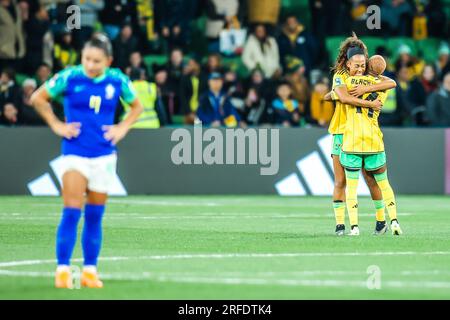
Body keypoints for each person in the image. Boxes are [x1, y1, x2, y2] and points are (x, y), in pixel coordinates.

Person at [30, 34, 143, 289]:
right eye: (87, 59)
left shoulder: (117, 80)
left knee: (94, 215)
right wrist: (57, 125)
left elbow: (137, 107)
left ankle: (90, 271)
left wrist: (122, 128)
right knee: (71, 211)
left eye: (97, 61)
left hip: (104, 154)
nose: (91, 65)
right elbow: (38, 98)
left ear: (109, 61)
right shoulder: (70, 77)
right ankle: (62, 270)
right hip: (75, 153)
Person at [325, 33, 396, 236]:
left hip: (363, 133)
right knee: (341, 181)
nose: (360, 68)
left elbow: (391, 82)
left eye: (363, 64)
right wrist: (370, 102)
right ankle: (340, 225)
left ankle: (381, 221)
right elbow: (346, 98)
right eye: (356, 64)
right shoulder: (339, 76)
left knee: (371, 179)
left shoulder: (368, 77)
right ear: (347, 63)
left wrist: (372, 86)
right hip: (341, 131)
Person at [338, 55, 403, 236]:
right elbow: (392, 82)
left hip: (352, 141)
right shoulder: (382, 85)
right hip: (374, 140)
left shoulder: (349, 81)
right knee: (384, 184)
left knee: (352, 186)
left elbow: (335, 95)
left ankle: (354, 227)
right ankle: (395, 221)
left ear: (366, 66)